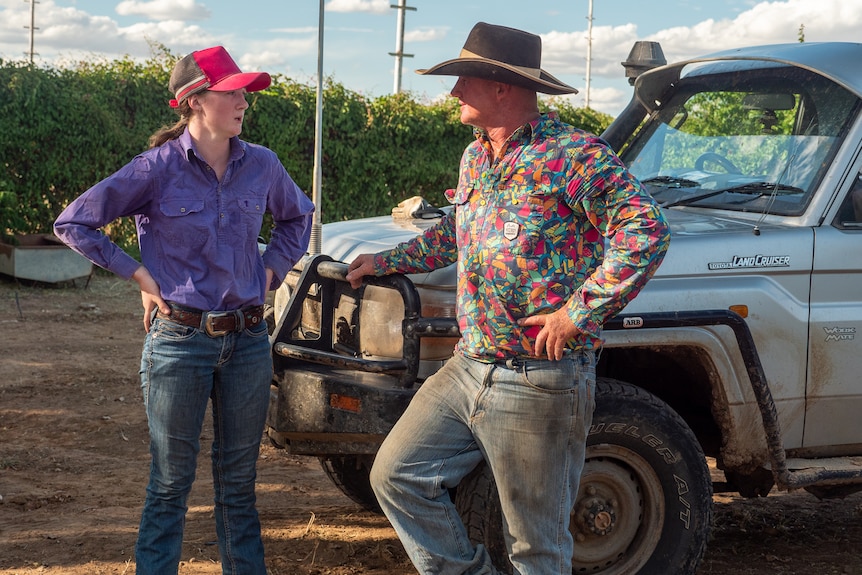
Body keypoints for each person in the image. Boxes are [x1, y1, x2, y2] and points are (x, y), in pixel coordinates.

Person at [346, 22, 670, 575]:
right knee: (396, 476)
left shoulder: (572, 155)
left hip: (539, 378)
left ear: (502, 87)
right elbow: (454, 234)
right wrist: (385, 261)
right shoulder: (477, 157)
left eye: (462, 80)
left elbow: (646, 229)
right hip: (468, 366)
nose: (452, 94)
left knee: (537, 549)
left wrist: (576, 313)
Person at [54, 46, 314, 575]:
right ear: (195, 100)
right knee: (171, 483)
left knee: (239, 486)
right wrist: (139, 274)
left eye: (245, 92)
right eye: (232, 91)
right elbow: (74, 223)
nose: (244, 101)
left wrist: (269, 271)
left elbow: (298, 217)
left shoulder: (262, 164)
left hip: (246, 343)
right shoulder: (155, 169)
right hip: (178, 344)